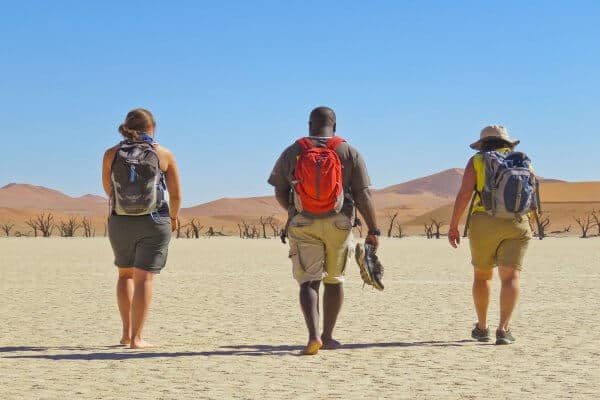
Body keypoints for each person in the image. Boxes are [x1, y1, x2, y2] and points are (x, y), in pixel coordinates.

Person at [268, 106, 381, 355]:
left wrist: (293, 211)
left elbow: (278, 189)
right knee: (334, 280)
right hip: (339, 223)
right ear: (335, 126)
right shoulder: (349, 151)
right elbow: (363, 194)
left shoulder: (293, 151)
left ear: (309, 125)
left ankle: (313, 336)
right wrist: (374, 229)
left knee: (308, 281)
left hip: (303, 223)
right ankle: (329, 336)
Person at [102, 108, 181, 349]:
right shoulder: (163, 153)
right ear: (152, 128)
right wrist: (174, 217)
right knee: (144, 278)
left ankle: (126, 334)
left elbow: (108, 189)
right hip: (154, 221)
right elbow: (176, 195)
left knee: (125, 274)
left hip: (120, 221)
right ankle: (137, 338)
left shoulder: (111, 154)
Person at [448, 125, 534, 345]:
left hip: (483, 221)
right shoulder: (521, 160)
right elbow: (530, 192)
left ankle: (482, 327)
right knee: (511, 277)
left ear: (483, 143)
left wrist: (454, 225)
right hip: (517, 222)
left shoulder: (477, 161)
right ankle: (504, 329)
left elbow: (465, 193)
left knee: (483, 275)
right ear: (507, 142)